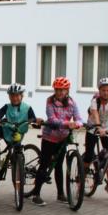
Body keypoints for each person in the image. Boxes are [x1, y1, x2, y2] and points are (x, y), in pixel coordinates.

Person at [30, 77, 82, 206]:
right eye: (57, 89)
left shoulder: (72, 103)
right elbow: (52, 119)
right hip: (49, 138)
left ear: (67, 90)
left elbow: (79, 118)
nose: (59, 92)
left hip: (62, 139)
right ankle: (36, 194)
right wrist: (68, 124)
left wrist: (78, 124)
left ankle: (60, 194)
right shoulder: (50, 101)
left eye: (62, 90)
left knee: (59, 166)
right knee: (44, 165)